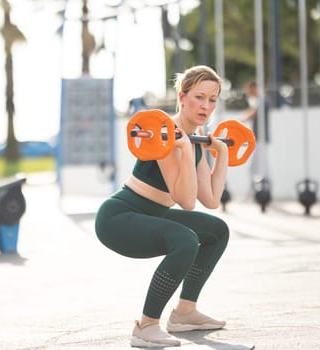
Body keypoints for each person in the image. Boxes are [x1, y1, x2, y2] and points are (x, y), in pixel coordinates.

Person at [95, 65, 230, 348]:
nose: (206, 105)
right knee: (185, 239)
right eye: (199, 97)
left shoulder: (192, 140)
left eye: (213, 99)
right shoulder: (164, 133)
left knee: (217, 230)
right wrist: (183, 151)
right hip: (119, 218)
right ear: (182, 96)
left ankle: (185, 313)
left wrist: (222, 155)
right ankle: (146, 326)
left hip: (151, 213)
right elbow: (186, 201)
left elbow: (211, 200)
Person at [242, 80, 270, 182]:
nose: (248, 93)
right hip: (256, 139)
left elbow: (253, 113)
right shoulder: (257, 102)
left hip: (260, 139)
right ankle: (253, 190)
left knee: (262, 167)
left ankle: (264, 188)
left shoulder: (263, 101)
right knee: (253, 167)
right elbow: (251, 111)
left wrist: (241, 121)